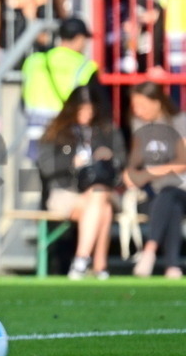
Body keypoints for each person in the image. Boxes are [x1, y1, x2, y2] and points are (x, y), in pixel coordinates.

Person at [37, 84, 125, 279]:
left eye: (90, 109)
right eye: (82, 109)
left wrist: (109, 158)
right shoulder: (57, 131)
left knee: (99, 196)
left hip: (100, 191)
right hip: (65, 192)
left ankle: (81, 261)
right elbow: (46, 166)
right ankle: (99, 266)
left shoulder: (105, 130)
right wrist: (71, 163)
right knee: (104, 209)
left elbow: (121, 161)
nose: (87, 114)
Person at [124, 82, 186, 279]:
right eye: (134, 106)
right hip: (154, 194)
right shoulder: (139, 124)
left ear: (157, 102)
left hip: (180, 187)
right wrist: (130, 173)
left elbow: (182, 163)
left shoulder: (179, 120)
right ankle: (172, 266)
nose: (137, 110)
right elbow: (135, 161)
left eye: (141, 105)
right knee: (170, 204)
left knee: (170, 193)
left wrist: (150, 174)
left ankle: (149, 250)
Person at [20, 17, 100, 159]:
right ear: (79, 38)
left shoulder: (33, 61)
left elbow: (24, 95)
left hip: (36, 133)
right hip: (66, 134)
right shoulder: (86, 67)